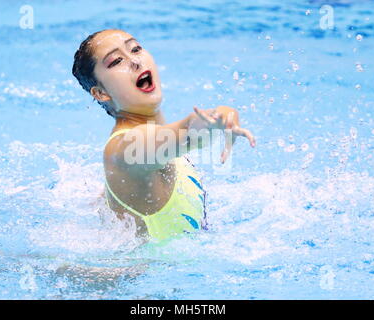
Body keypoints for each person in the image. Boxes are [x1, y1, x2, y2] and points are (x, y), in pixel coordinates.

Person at [72, 29, 255, 241]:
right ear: (101, 93)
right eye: (116, 61)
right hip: (136, 272)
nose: (135, 61)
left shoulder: (146, 146)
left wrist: (225, 113)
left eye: (135, 49)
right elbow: (184, 134)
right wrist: (218, 119)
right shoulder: (125, 146)